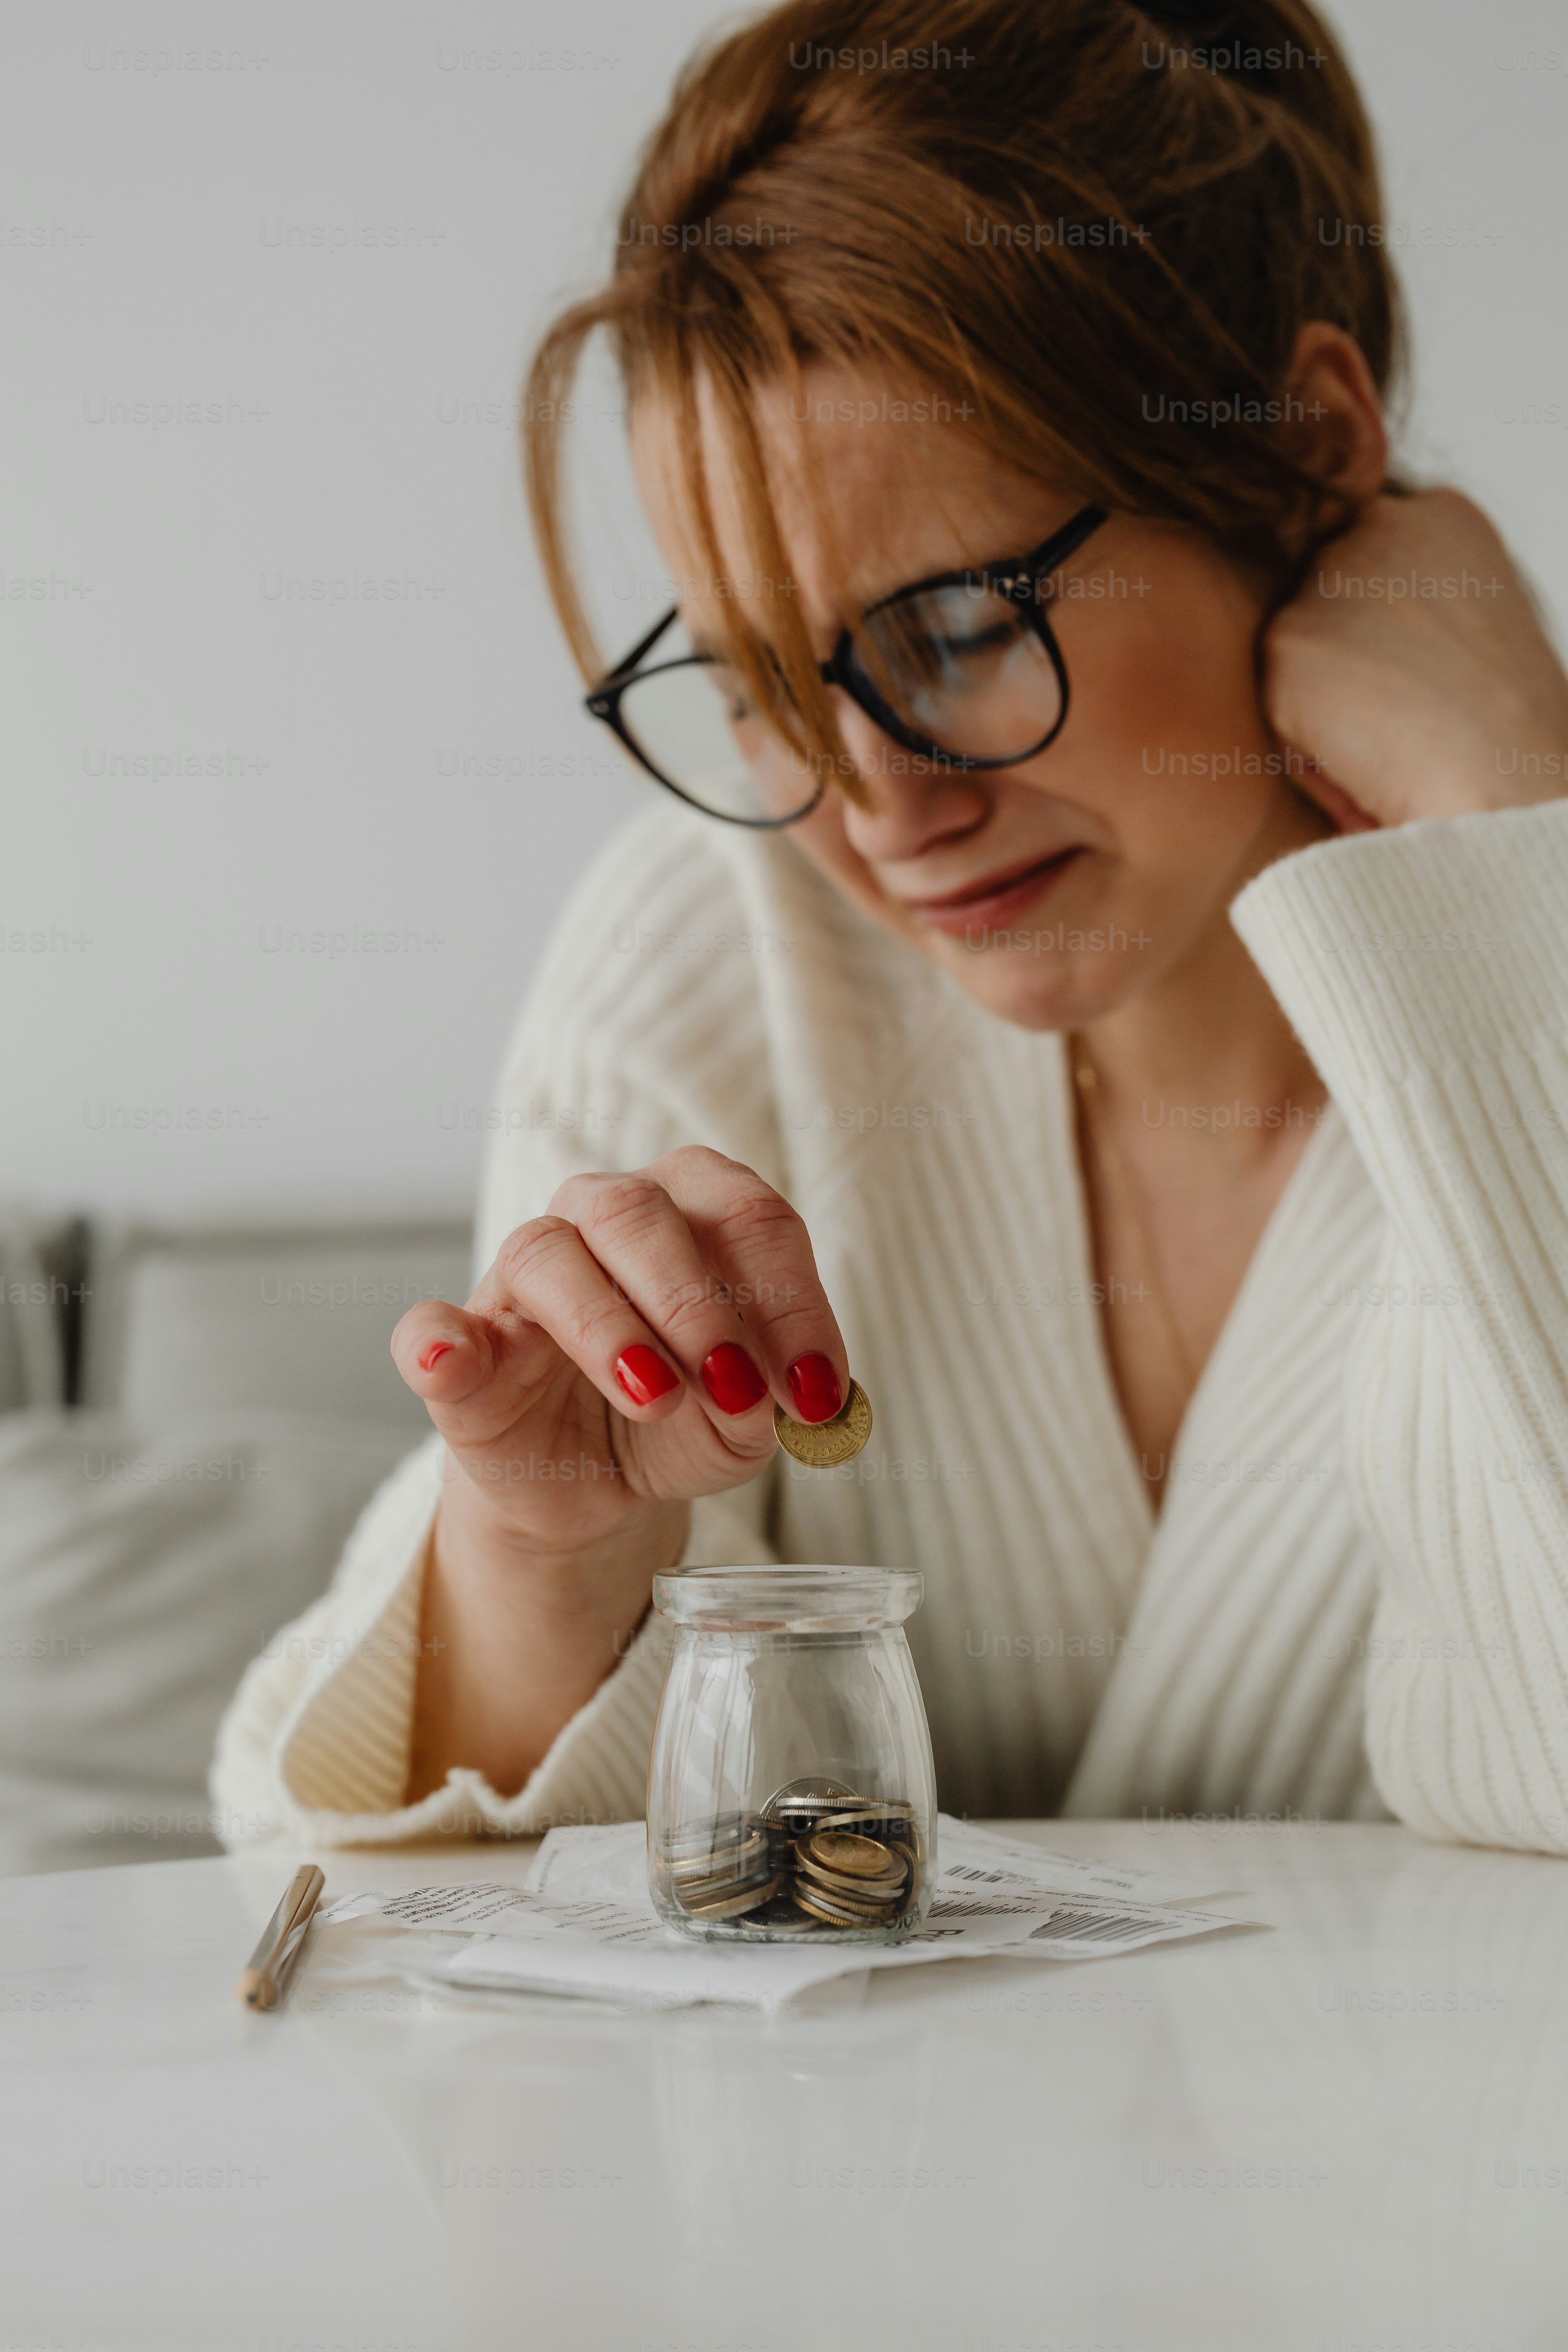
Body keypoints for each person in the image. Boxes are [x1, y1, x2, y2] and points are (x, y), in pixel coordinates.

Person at [214, 0, 1568, 1856]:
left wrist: (1516, 848)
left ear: (1314, 451)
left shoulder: (1542, 919)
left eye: (958, 630)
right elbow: (418, 1910)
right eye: (766, 678)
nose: (877, 805)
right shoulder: (723, 955)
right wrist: (552, 1558)